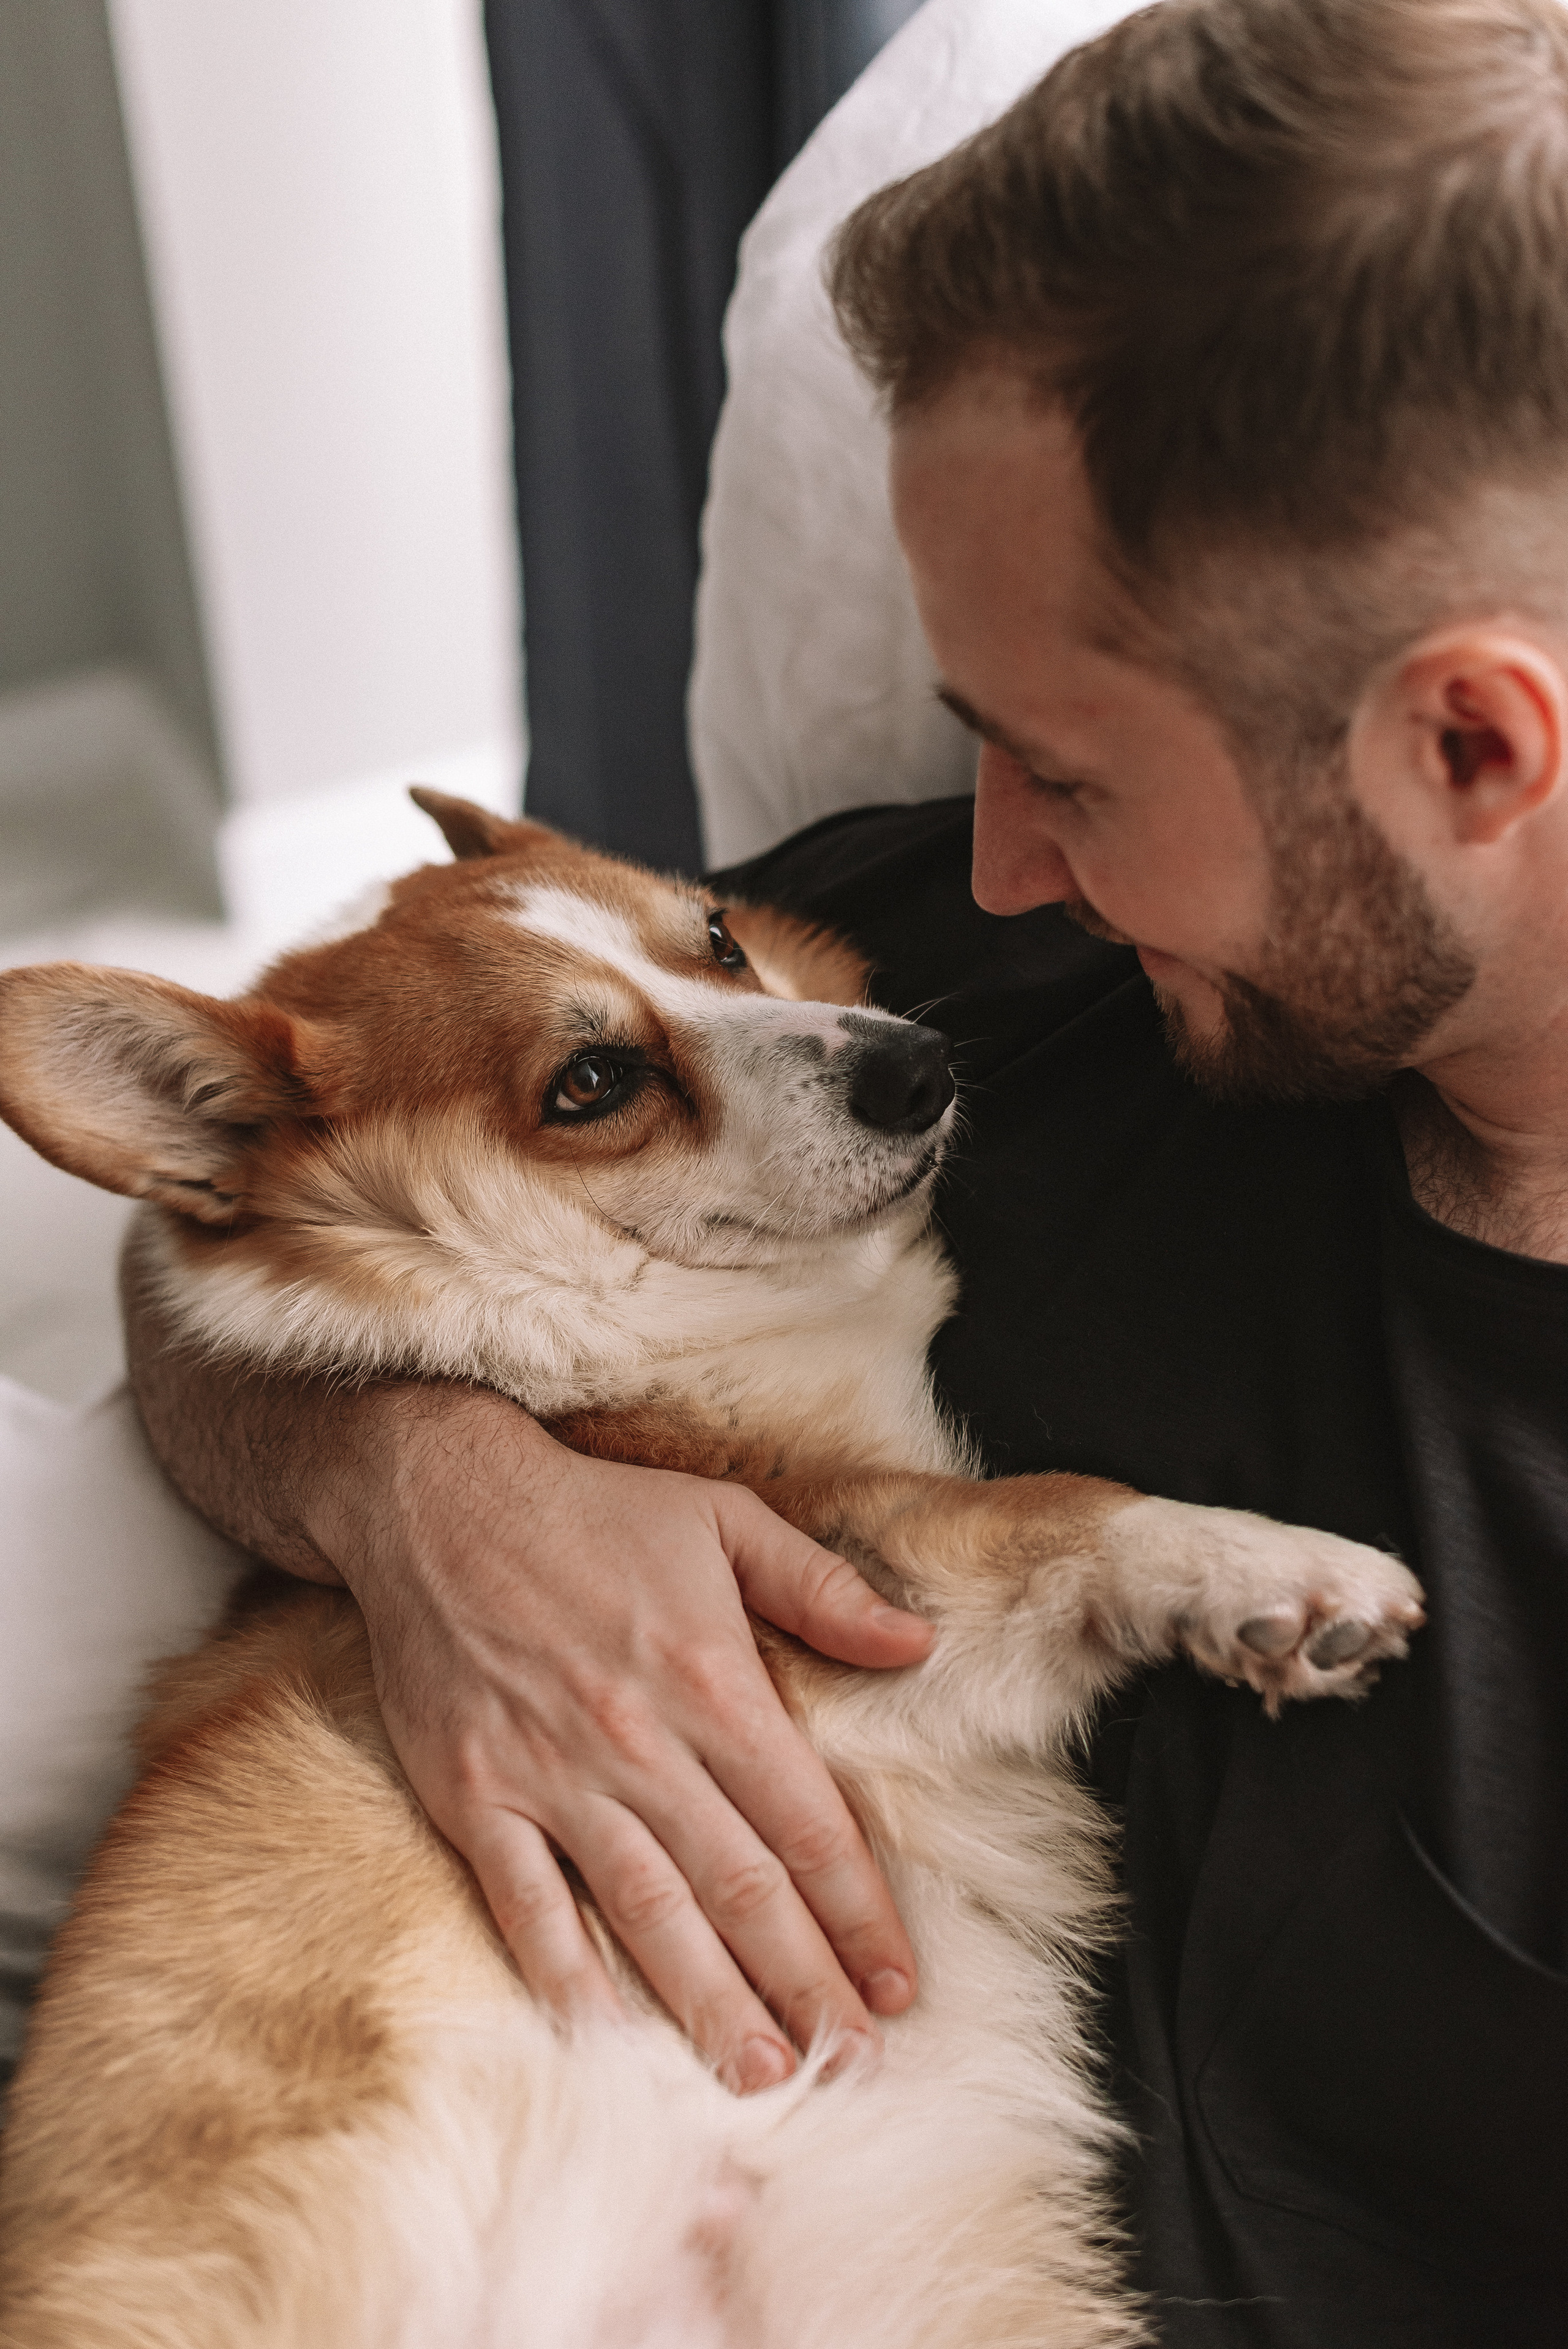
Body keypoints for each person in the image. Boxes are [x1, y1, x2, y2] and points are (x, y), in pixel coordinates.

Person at [126, 0, 1568, 2339]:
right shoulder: (937, 997)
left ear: (1469, 742)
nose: (984, 868)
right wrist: (428, 1505)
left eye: (1066, 769)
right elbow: (261, 1210)